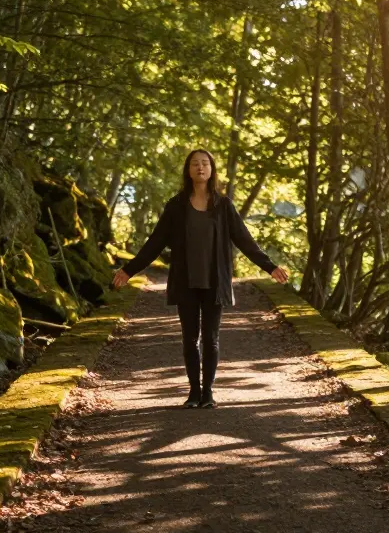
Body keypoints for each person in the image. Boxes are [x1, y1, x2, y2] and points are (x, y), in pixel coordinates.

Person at [112, 148, 290, 409]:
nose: (200, 167)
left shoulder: (223, 206)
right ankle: (194, 392)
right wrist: (129, 270)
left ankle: (208, 392)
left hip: (214, 282)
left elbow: (245, 241)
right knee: (189, 338)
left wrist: (270, 267)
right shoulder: (176, 206)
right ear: (188, 170)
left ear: (211, 169)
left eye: (205, 163)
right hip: (185, 281)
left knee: (211, 337)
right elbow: (155, 243)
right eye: (195, 163)